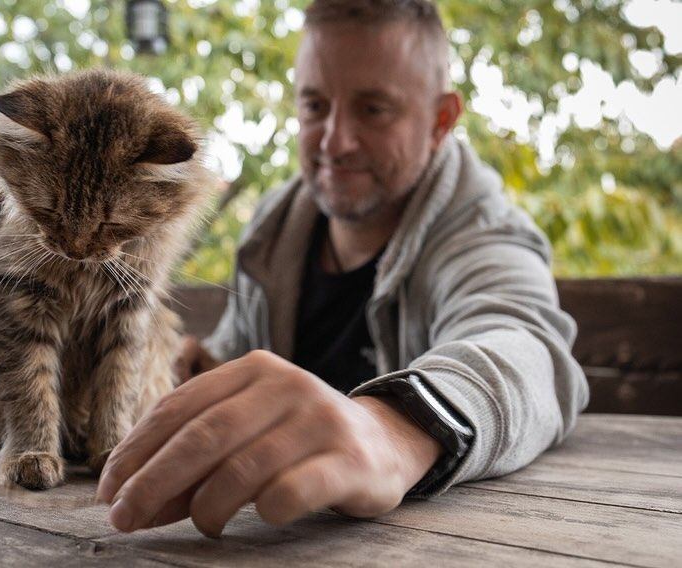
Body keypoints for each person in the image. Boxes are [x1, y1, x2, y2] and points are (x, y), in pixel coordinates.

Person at [96, 0, 588, 537]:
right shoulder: (271, 231)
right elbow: (238, 351)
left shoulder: (482, 231)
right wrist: (196, 366)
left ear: (440, 120)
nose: (335, 140)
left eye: (373, 109)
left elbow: (528, 350)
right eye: (315, 106)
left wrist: (392, 428)